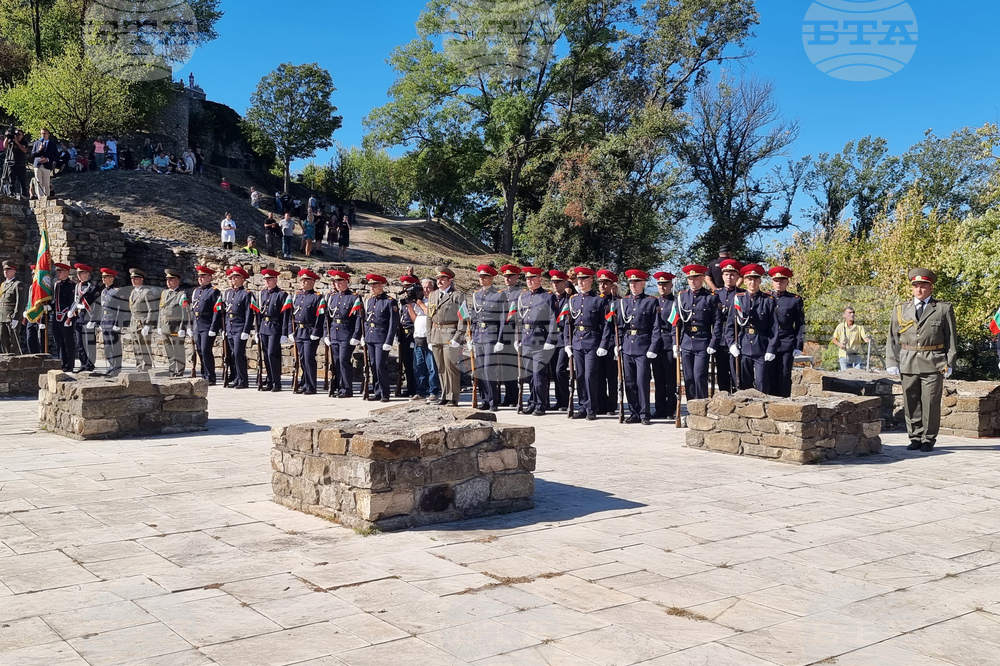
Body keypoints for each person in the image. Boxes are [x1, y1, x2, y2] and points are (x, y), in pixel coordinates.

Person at [886, 269, 958, 453]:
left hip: (934, 362)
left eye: (923, 286)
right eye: (915, 286)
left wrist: (950, 362)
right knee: (911, 401)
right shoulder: (901, 309)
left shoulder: (943, 308)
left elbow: (951, 339)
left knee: (931, 403)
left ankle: (928, 438)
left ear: (930, 287)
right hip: (908, 361)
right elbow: (892, 338)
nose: (919, 290)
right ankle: (915, 436)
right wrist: (892, 362)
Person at [564, 267, 614, 420]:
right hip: (578, 341)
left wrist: (603, 344)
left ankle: (592, 407)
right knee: (580, 376)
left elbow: (607, 324)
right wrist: (567, 342)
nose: (581, 282)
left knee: (590, 375)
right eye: (579, 279)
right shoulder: (573, 299)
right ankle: (582, 406)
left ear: (591, 280)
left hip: (593, 341)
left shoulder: (600, 300)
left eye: (584, 279)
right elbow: (568, 323)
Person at [617, 270, 662, 425]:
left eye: (636, 282)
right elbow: (621, 327)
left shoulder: (651, 301)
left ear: (643, 283)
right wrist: (619, 345)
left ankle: (644, 413)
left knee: (642, 381)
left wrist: (653, 346)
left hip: (643, 346)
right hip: (627, 346)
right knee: (629, 382)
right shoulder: (624, 302)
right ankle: (634, 412)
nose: (633, 285)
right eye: (631, 283)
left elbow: (656, 327)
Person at [725, 264, 777, 393]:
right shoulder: (738, 298)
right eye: (749, 279)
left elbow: (774, 327)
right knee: (744, 383)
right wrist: (731, 343)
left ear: (759, 281)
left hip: (761, 347)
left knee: (761, 382)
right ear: (745, 280)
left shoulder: (768, 300)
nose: (752, 282)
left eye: (755, 279)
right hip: (743, 345)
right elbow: (731, 325)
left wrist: (771, 348)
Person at [514, 266, 559, 416]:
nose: (530, 281)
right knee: (528, 375)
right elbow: (519, 319)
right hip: (526, 339)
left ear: (540, 279)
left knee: (539, 374)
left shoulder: (548, 296)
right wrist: (517, 338)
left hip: (541, 339)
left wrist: (550, 339)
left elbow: (553, 319)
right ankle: (532, 402)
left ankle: (541, 404)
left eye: (533, 278)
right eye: (527, 279)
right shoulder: (523, 297)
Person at [675, 264, 722, 400]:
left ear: (702, 278)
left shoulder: (711, 297)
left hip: (703, 341)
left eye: (695, 278)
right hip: (686, 341)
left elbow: (717, 322)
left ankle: (701, 406)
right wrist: (675, 342)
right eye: (690, 278)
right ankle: (691, 407)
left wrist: (714, 342)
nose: (692, 281)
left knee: (699, 375)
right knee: (688, 377)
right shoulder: (681, 297)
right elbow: (676, 322)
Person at [427, 267, 466, 406]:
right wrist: (429, 337)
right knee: (441, 367)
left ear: (450, 280)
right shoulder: (433, 295)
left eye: (443, 278)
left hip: (450, 333)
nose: (439, 281)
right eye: (438, 279)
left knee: (451, 367)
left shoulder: (457, 296)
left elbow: (464, 317)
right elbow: (429, 317)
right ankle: (444, 395)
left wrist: (458, 337)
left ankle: (453, 397)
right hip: (436, 334)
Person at [469, 265, 506, 411]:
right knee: (480, 370)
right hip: (479, 335)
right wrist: (471, 335)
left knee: (489, 369)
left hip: (491, 334)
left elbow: (503, 318)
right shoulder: (477, 294)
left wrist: (500, 339)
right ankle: (484, 400)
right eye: (480, 277)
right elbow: (474, 316)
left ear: (491, 278)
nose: (481, 279)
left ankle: (493, 401)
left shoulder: (499, 294)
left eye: (484, 277)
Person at [323, 270, 363, 398]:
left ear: (346, 281)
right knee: (336, 361)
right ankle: (337, 387)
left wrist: (356, 335)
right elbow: (327, 318)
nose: (337, 283)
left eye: (340, 281)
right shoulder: (331, 297)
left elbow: (358, 318)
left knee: (344, 360)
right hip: (334, 332)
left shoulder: (354, 297)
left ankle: (346, 389)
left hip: (347, 333)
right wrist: (326, 334)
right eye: (335, 281)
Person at [768, 266, 806, 397]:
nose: (779, 283)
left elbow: (800, 324)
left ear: (787, 282)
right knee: (769, 375)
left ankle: (784, 403)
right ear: (772, 282)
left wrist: (799, 344)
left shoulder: (794, 299)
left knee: (784, 375)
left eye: (782, 280)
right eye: (776, 280)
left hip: (786, 341)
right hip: (768, 342)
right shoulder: (766, 298)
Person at [215, 266, 255, 389]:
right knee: (231, 354)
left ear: (242, 279)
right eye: (232, 278)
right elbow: (224, 313)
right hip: (229, 327)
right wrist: (223, 328)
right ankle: (236, 378)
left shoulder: (246, 294)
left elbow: (249, 313)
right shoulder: (227, 293)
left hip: (240, 327)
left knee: (238, 353)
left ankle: (243, 380)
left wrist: (246, 330)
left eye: (236, 277)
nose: (233, 279)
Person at [362, 274, 399, 402]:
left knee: (380, 365)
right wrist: (365, 335)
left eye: (375, 285)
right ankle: (377, 391)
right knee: (372, 365)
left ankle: (385, 393)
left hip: (382, 337)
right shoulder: (370, 300)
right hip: (371, 336)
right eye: (371, 285)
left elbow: (393, 323)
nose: (372, 287)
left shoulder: (389, 301)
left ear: (382, 286)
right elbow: (367, 320)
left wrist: (389, 341)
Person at [290, 269, 325, 395]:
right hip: (299, 331)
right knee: (302, 358)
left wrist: (316, 331)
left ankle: (311, 385)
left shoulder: (317, 297)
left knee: (309, 358)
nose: (303, 282)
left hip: (310, 332)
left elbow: (320, 316)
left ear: (313, 282)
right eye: (301, 280)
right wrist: (291, 330)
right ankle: (304, 383)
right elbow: (291, 315)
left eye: (306, 280)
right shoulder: (297, 296)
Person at [256, 268, 291, 391]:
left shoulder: (282, 294)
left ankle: (277, 382)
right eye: (265, 279)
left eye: (269, 279)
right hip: (264, 327)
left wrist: (284, 333)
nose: (267, 281)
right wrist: (256, 330)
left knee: (272, 354)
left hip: (275, 327)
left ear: (275, 279)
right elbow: (258, 313)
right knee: (266, 355)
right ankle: (270, 381)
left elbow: (286, 315)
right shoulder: (262, 293)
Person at [714, 259, 744, 394]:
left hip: (737, 337)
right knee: (722, 372)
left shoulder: (742, 295)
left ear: (737, 277)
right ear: (722, 276)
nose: (729, 277)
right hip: (720, 339)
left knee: (736, 372)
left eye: (732, 275)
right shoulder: (715, 295)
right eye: (726, 274)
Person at [651, 272, 678, 419]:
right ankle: (659, 408)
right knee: (658, 378)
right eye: (660, 284)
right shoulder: (654, 301)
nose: (662, 287)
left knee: (670, 378)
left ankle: (670, 408)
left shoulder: (675, 301)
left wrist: (675, 343)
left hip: (668, 340)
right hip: (656, 343)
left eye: (665, 284)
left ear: (671, 285)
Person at [498, 265, 525, 406]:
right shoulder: (501, 293)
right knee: (505, 368)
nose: (507, 279)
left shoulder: (522, 293)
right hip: (503, 336)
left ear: (516, 277)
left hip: (516, 334)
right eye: (505, 276)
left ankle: (515, 397)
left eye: (510, 276)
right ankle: (508, 397)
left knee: (515, 368)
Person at [191, 266, 222, 385]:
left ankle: (211, 376)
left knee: (205, 350)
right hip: (197, 325)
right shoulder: (197, 291)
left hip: (207, 325)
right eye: (199, 277)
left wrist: (214, 327)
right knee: (199, 350)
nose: (200, 279)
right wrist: (191, 327)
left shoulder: (214, 291)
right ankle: (203, 374)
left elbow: (217, 310)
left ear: (210, 277)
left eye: (203, 276)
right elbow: (193, 310)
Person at [410, 278, 440, 401]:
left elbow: (431, 314)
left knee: (432, 366)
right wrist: (409, 305)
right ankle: (420, 391)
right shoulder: (419, 301)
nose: (426, 290)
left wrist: (420, 304)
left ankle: (433, 391)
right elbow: (414, 318)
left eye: (428, 287)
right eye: (424, 287)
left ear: (433, 288)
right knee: (418, 366)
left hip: (430, 337)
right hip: (418, 336)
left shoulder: (435, 300)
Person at [157, 268, 190, 377]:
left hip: (175, 326)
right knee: (169, 350)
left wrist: (182, 328)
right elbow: (161, 310)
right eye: (167, 280)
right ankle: (172, 370)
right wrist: (159, 325)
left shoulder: (181, 294)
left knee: (178, 350)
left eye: (171, 280)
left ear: (177, 281)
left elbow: (185, 312)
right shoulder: (165, 293)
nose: (168, 282)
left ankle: (179, 371)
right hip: (165, 325)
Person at [67, 263, 100, 372]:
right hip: (79, 317)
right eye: (78, 273)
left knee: (89, 342)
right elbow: (75, 301)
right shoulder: (77, 286)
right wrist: (72, 312)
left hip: (88, 316)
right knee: (80, 343)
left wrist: (93, 319)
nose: (79, 275)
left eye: (81, 273)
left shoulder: (93, 287)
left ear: (87, 274)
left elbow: (97, 305)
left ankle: (89, 364)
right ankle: (83, 364)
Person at [596, 270, 621, 413]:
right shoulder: (597, 300)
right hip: (597, 342)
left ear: (612, 285)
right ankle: (600, 403)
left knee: (611, 375)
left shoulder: (617, 302)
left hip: (611, 342)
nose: (602, 286)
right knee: (599, 374)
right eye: (600, 283)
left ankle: (612, 404)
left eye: (606, 283)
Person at [548, 270, 572, 411]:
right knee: (553, 370)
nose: (555, 285)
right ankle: (559, 401)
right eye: (553, 282)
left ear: (564, 283)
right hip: (551, 339)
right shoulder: (548, 299)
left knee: (560, 370)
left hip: (564, 338)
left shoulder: (570, 299)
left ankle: (564, 400)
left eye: (558, 282)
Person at [126, 269, 158, 372]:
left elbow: (151, 309)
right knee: (136, 346)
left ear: (141, 279)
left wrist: (148, 324)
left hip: (143, 323)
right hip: (134, 323)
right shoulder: (132, 292)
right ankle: (139, 366)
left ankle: (146, 366)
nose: (133, 281)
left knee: (144, 346)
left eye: (136, 279)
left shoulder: (146, 292)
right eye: (132, 279)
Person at [95, 268, 125, 376]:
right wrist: (100, 322)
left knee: (115, 345)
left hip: (113, 322)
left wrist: (117, 323)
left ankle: (116, 368)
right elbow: (102, 308)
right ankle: (111, 366)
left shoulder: (117, 291)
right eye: (102, 277)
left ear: (112, 278)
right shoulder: (104, 291)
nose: (103, 279)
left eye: (105, 277)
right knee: (107, 346)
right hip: (105, 322)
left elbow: (120, 308)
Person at [397, 275, 422, 397]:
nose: (405, 289)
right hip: (404, 334)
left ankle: (416, 388)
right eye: (404, 286)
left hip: (413, 333)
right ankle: (409, 387)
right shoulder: (404, 301)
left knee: (415, 363)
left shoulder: (416, 301)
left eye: (408, 286)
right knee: (406, 363)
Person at [52, 263, 75, 370]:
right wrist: (49, 306)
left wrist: (70, 316)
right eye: (57, 271)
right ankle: (62, 362)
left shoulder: (71, 285)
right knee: (59, 341)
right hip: (56, 315)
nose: (58, 273)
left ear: (67, 272)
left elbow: (72, 302)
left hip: (66, 316)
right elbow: (55, 300)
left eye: (60, 271)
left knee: (68, 341)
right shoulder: (56, 284)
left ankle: (70, 365)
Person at [0, 260, 24, 354]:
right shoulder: (3, 285)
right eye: (4, 270)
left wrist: (16, 317)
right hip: (2, 315)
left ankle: (15, 358)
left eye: (8, 269)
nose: (5, 271)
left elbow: (20, 302)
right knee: (3, 337)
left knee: (13, 339)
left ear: (14, 271)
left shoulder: (17, 284)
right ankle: (6, 356)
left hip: (11, 315)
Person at [31, 128, 59, 199]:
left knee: (46, 182)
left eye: (45, 133)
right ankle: (40, 197)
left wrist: (48, 159)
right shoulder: (37, 143)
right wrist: (39, 150)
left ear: (48, 134)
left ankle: (47, 197)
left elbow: (56, 156)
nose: (43, 135)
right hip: (37, 165)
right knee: (38, 182)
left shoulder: (52, 144)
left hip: (47, 165)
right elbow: (32, 154)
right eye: (42, 133)